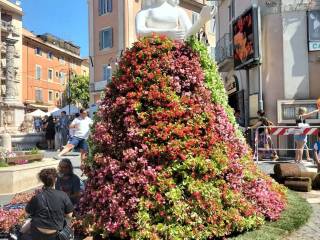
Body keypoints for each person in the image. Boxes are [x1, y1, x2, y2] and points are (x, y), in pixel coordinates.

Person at [24, 168, 73, 240]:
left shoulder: (37, 197)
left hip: (38, 234)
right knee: (68, 220)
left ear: (42, 181)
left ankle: (19, 235)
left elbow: (26, 214)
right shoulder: (63, 195)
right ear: (55, 179)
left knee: (30, 221)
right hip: (56, 234)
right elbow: (69, 215)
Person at [136, 0, 215, 40]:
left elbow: (189, 33)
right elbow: (139, 32)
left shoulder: (178, 11)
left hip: (176, 56)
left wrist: (201, 21)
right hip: (151, 56)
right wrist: (167, 33)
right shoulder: (144, 12)